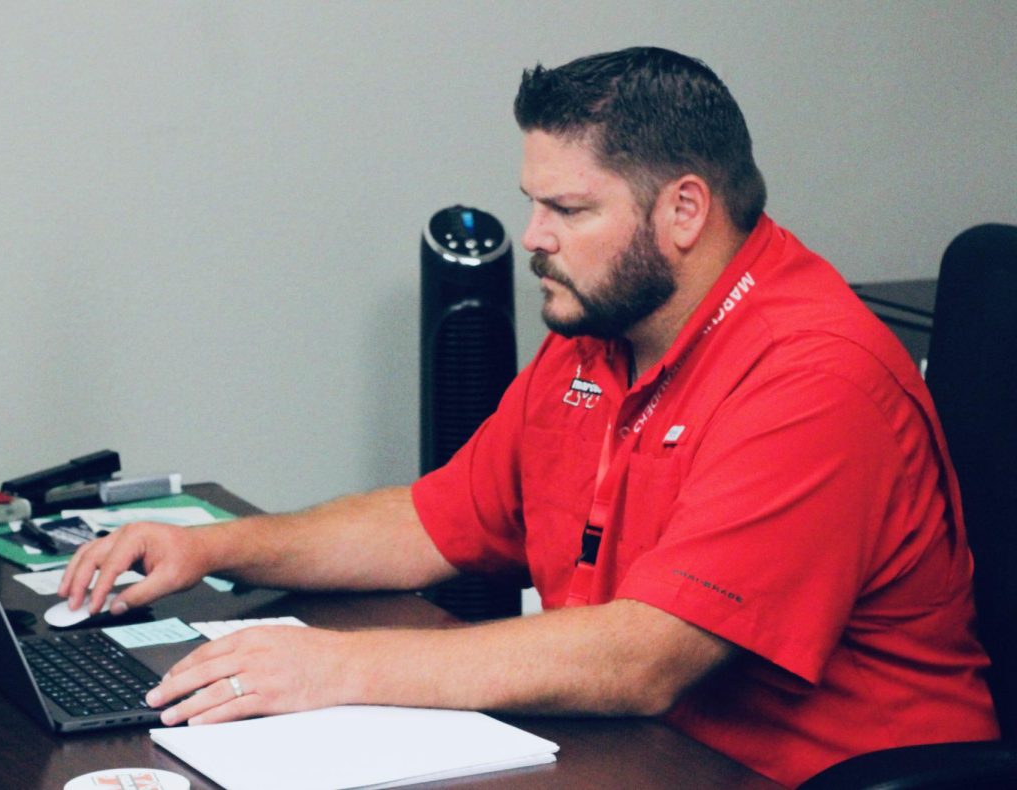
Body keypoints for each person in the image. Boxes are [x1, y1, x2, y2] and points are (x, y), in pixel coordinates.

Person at [60, 47, 999, 786]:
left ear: (683, 210)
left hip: (815, 774)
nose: (534, 238)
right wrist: (219, 549)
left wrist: (333, 670)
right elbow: (431, 522)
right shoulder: (601, 333)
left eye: (567, 208)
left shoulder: (816, 376)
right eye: (531, 204)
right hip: (640, 753)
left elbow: (646, 659)